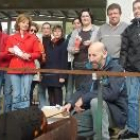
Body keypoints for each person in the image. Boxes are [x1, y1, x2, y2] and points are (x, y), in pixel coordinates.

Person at [63, 42, 127, 140]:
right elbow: (82, 89)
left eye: (94, 55)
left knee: (96, 101)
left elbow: (112, 93)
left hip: (114, 113)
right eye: (89, 55)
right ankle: (102, 132)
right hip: (93, 111)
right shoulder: (92, 68)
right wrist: (70, 103)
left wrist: (83, 99)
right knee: (68, 126)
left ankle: (103, 136)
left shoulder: (116, 69)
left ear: (104, 54)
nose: (91, 59)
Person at [4, 14, 41, 110]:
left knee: (25, 94)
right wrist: (10, 51)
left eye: (27, 23)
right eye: (23, 22)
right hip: (14, 69)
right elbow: (7, 53)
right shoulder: (11, 38)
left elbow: (38, 54)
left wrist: (29, 55)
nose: (25, 25)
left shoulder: (33, 38)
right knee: (16, 94)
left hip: (28, 68)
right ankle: (15, 116)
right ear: (18, 23)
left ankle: (24, 117)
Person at [119, 0, 140, 139]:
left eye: (139, 8)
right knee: (132, 100)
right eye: (135, 9)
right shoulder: (129, 29)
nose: (137, 10)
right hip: (133, 70)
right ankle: (133, 129)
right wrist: (123, 67)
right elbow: (124, 50)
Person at [67, 9, 99, 90]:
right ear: (80, 18)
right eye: (83, 16)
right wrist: (74, 50)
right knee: (79, 89)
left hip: (92, 64)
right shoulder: (75, 32)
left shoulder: (97, 30)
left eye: (87, 16)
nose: (85, 18)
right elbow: (69, 47)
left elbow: (103, 46)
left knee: (91, 90)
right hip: (78, 64)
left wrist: (92, 44)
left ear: (91, 17)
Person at [39, 25, 67, 106]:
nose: (57, 33)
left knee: (57, 96)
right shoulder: (49, 43)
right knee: (50, 95)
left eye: (59, 31)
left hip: (58, 74)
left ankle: (58, 115)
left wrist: (62, 76)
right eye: (55, 31)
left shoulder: (64, 43)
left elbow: (64, 60)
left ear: (62, 33)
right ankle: (51, 114)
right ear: (53, 32)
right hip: (49, 74)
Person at [29, 22, 46, 106]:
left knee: (34, 90)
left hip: (36, 69)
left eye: (35, 31)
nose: (33, 32)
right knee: (27, 92)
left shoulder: (39, 41)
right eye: (31, 30)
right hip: (24, 69)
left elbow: (42, 58)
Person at [65, 17, 82, 102]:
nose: (76, 25)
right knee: (69, 87)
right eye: (74, 23)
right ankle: (68, 105)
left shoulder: (84, 34)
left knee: (79, 87)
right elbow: (67, 49)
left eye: (78, 23)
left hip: (81, 64)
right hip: (70, 64)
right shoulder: (69, 36)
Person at [0, 21, 12, 112]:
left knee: (7, 92)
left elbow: (9, 53)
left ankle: (6, 114)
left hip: (7, 69)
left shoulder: (6, 37)